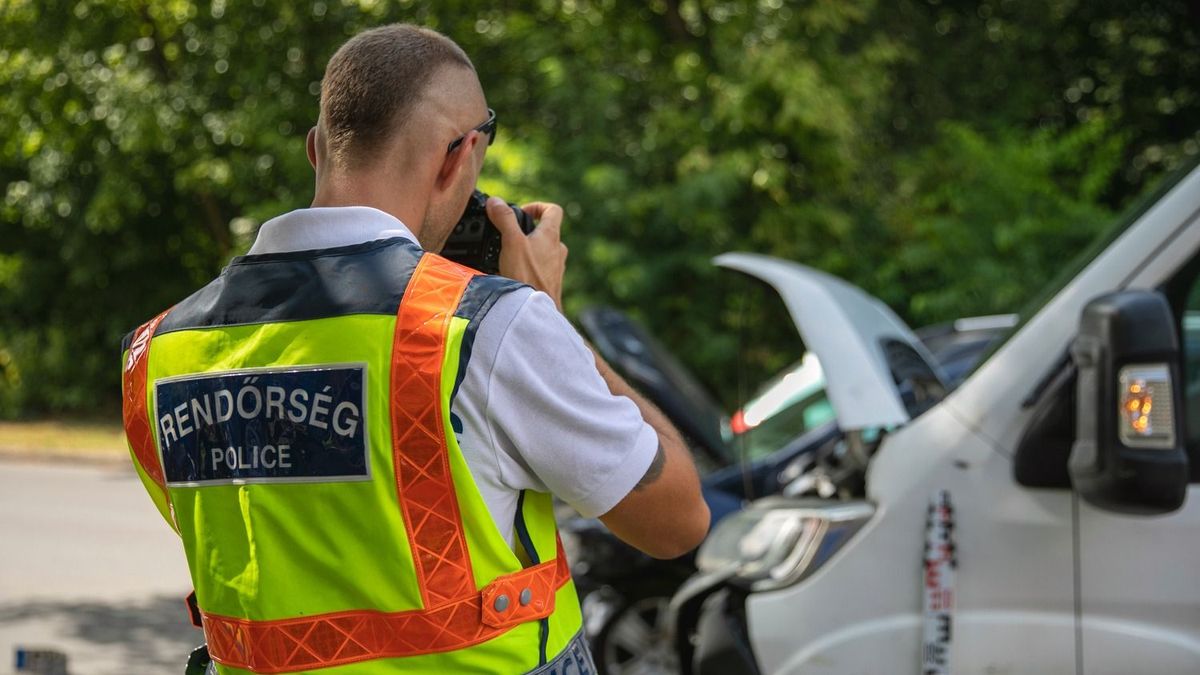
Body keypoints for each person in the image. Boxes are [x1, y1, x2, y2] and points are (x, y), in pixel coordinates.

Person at [120, 23, 709, 674]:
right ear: (459, 156)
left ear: (317, 150)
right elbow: (678, 518)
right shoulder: (487, 327)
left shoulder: (156, 354)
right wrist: (550, 316)